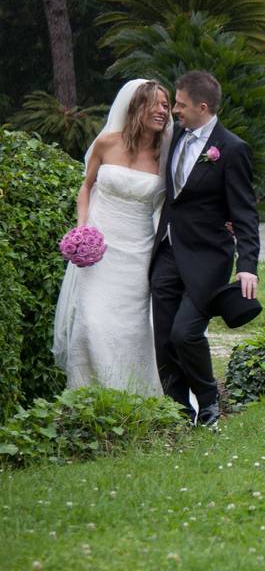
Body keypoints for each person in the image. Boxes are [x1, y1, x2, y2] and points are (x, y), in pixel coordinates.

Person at [150, 70, 260, 428]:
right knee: (164, 338)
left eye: (179, 105)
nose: (174, 111)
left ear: (202, 106)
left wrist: (248, 265)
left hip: (208, 256)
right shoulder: (175, 136)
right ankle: (178, 410)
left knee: (186, 333)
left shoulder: (232, 149)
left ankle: (209, 400)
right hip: (168, 249)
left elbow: (244, 211)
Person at [53, 79, 173, 396]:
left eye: (167, 104)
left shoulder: (166, 156)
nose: (164, 110)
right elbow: (86, 187)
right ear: (137, 106)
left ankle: (135, 394)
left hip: (139, 252)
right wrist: (82, 229)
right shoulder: (107, 143)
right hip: (100, 248)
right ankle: (89, 394)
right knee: (92, 321)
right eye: (157, 104)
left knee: (133, 326)